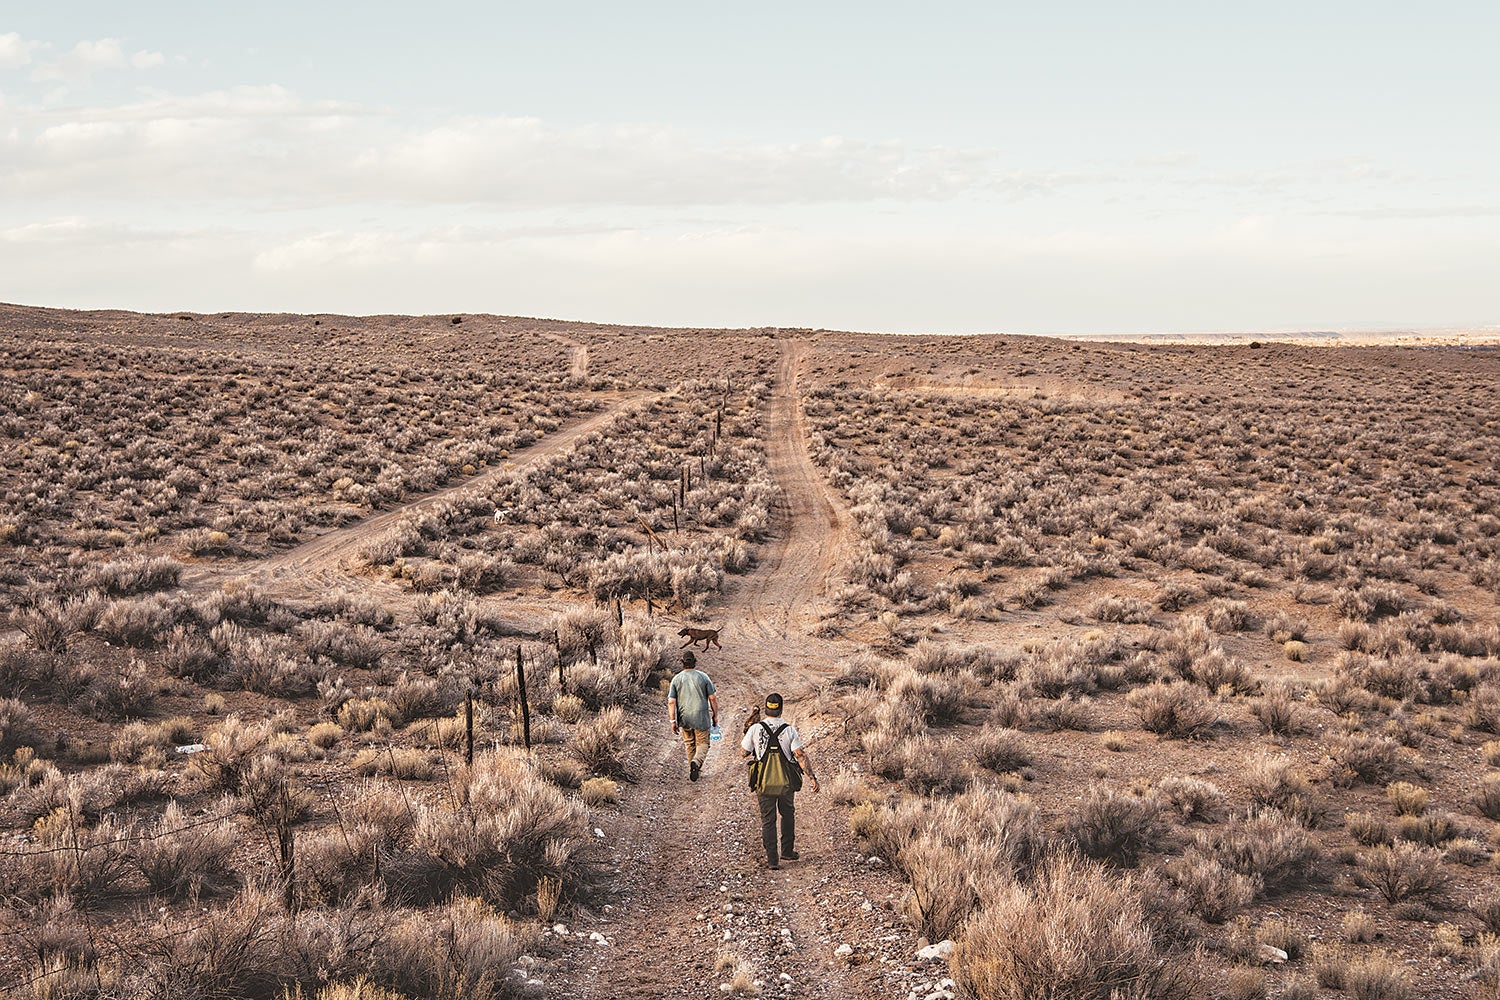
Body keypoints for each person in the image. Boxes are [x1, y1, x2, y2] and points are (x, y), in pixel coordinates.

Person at [741, 691, 819, 870]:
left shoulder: (756, 728)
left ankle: (772, 860)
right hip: (785, 783)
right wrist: (812, 778)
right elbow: (800, 756)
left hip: (764, 783)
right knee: (787, 814)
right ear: (781, 709)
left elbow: (743, 752)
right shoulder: (789, 729)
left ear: (766, 709)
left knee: (768, 820)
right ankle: (787, 851)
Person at [667, 650, 719, 782]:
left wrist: (673, 721)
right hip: (701, 716)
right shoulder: (703, 677)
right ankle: (696, 762)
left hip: (684, 717)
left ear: (682, 663)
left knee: (689, 743)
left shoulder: (676, 679)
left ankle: (693, 769)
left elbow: (671, 702)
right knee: (703, 743)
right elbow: (712, 698)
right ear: (695, 662)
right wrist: (715, 715)